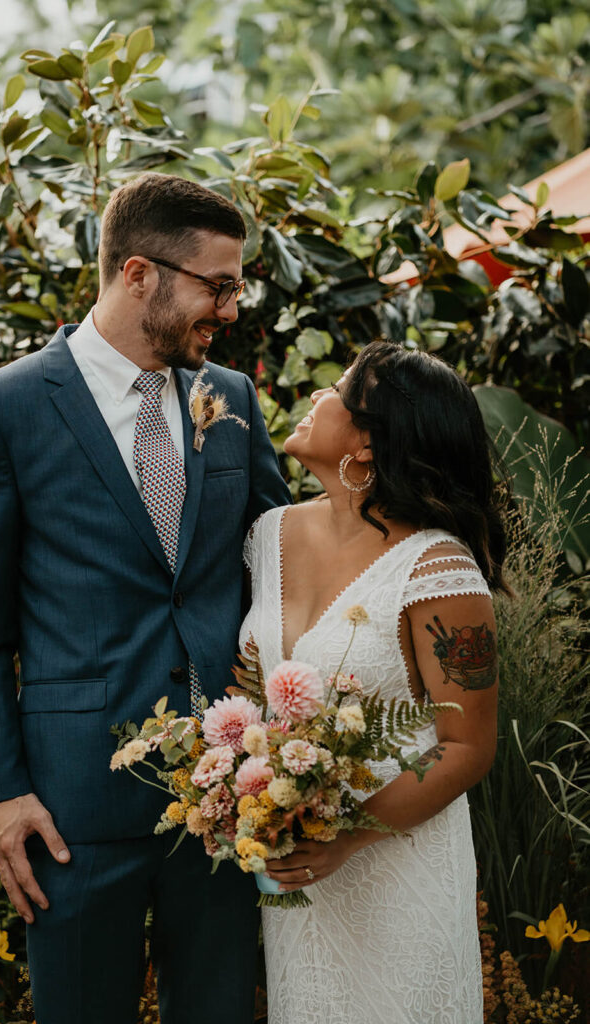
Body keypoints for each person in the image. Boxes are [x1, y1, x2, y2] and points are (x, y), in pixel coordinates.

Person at [0, 172, 290, 1024]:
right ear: (139, 274)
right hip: (70, 805)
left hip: (224, 799)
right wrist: (1, 794)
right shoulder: (0, 410)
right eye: (217, 285)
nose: (232, 308)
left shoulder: (232, 400)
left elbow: (284, 556)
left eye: (235, 287)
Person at [240, 340, 509, 1024]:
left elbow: (466, 745)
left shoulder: (435, 566)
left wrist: (347, 834)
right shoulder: (267, 534)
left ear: (365, 440)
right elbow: (250, 689)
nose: (313, 396)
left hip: (396, 863)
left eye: (334, 389)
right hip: (299, 870)